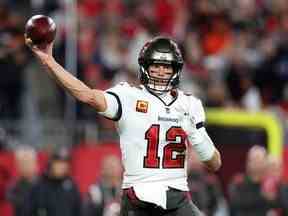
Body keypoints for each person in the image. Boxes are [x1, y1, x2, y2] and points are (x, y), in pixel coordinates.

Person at [25, 35, 221, 216]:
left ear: (176, 69)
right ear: (145, 67)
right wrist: (50, 62)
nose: (161, 71)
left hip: (176, 198)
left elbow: (215, 163)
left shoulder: (190, 105)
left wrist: (198, 137)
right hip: (138, 198)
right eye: (156, 65)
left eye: (167, 66)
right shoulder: (128, 97)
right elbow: (87, 95)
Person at [228, 145, 285, 216]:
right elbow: (235, 203)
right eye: (254, 159)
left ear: (266, 162)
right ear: (248, 162)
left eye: (259, 160)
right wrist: (263, 196)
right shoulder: (239, 181)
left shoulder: (273, 183)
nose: (257, 163)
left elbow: (283, 204)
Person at [23, 149, 81, 216]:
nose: (62, 167)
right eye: (59, 163)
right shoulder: (39, 186)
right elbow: (28, 211)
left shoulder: (71, 186)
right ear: (51, 163)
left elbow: (78, 210)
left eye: (65, 163)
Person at [6, 146, 38, 216]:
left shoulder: (41, 181)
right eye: (23, 163)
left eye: (29, 162)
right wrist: (21, 199)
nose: (26, 166)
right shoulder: (16, 182)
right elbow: (8, 196)